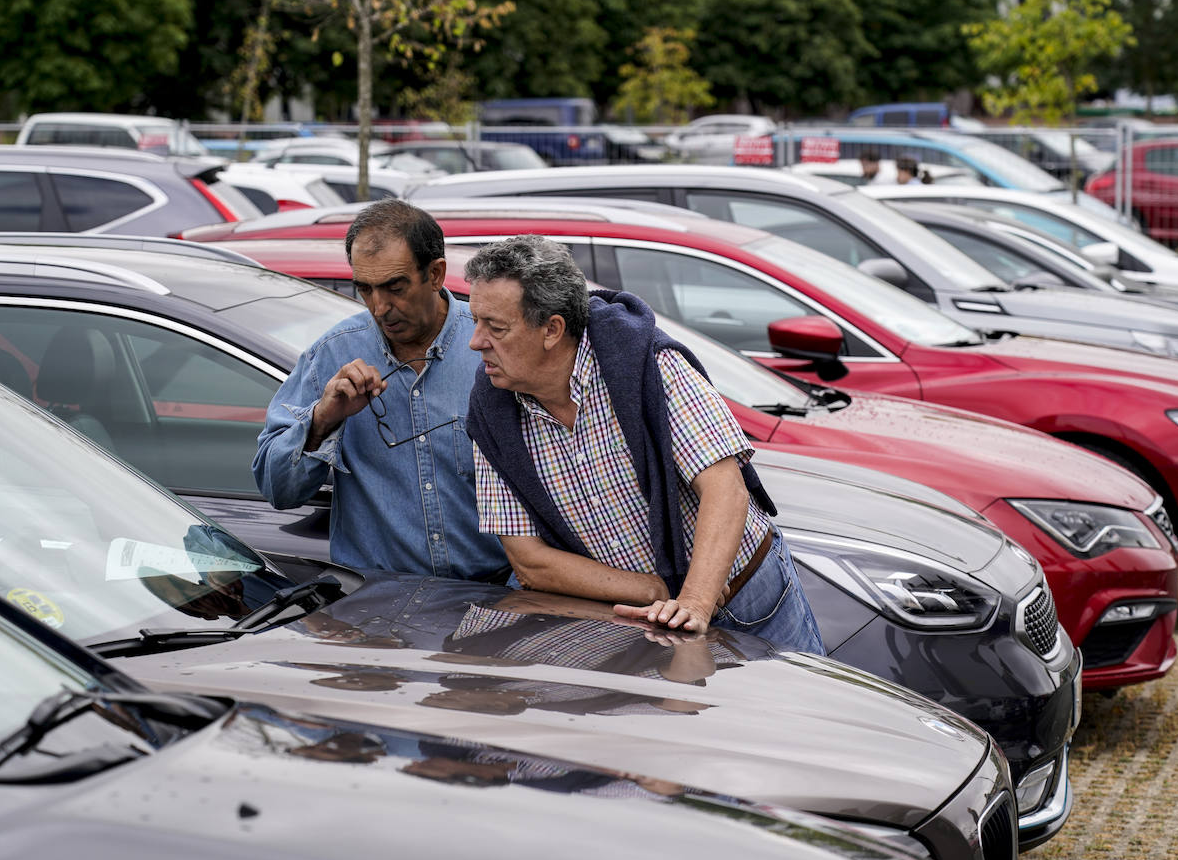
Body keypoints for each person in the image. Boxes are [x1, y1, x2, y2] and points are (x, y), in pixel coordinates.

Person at [463, 234, 824, 655]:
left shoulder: (646, 363)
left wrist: (694, 601)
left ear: (552, 329)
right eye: (475, 321)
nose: (475, 341)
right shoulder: (491, 409)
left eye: (496, 327)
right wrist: (655, 590)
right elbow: (529, 560)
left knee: (796, 720)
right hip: (646, 618)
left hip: (750, 598)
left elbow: (725, 488)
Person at [253, 199, 508, 580]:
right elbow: (277, 490)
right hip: (376, 608)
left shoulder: (491, 346)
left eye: (394, 287)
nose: (379, 307)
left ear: (436, 274)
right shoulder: (333, 354)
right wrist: (322, 420)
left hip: (490, 602)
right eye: (365, 289)